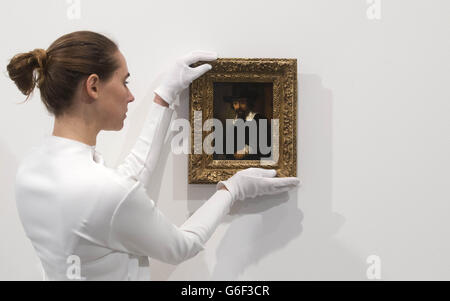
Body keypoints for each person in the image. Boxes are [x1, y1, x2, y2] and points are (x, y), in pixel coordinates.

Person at [7, 30, 300, 281]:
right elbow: (182, 245)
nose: (130, 95)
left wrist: (164, 97)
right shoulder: (103, 191)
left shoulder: (30, 170)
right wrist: (233, 189)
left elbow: (122, 188)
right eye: (124, 81)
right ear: (93, 86)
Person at [223, 85, 272, 160]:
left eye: (242, 102)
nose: (238, 107)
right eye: (235, 103)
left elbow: (266, 146)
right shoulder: (234, 122)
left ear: (249, 103)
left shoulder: (260, 119)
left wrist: (246, 151)